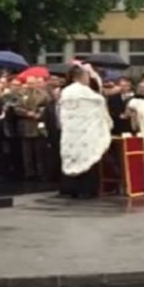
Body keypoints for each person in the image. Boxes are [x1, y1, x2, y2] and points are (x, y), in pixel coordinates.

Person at [58, 64, 112, 199]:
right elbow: (100, 101)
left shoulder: (66, 91)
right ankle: (86, 189)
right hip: (86, 132)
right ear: (82, 77)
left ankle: (71, 189)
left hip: (70, 132)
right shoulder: (85, 92)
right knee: (87, 157)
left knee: (72, 157)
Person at [16, 77, 50, 181]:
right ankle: (29, 173)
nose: (30, 85)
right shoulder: (20, 94)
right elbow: (16, 108)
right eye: (29, 83)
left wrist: (39, 114)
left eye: (32, 83)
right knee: (27, 153)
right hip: (25, 126)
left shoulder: (43, 94)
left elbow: (47, 107)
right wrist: (27, 113)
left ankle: (41, 173)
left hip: (38, 125)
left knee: (39, 153)